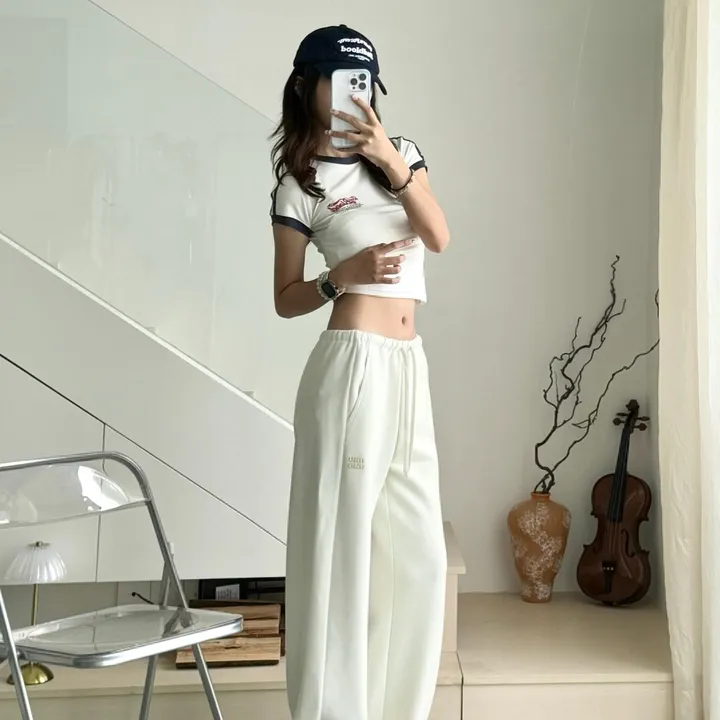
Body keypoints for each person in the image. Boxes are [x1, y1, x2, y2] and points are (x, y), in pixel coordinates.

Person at [270, 24, 450, 720]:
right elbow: (286, 298)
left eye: (366, 80)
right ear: (308, 86)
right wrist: (337, 275)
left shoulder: (401, 154)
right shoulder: (300, 184)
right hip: (350, 369)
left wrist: (389, 161)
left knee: (419, 558)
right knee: (339, 550)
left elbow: (438, 236)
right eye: (342, 79)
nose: (357, 92)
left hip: (409, 366)